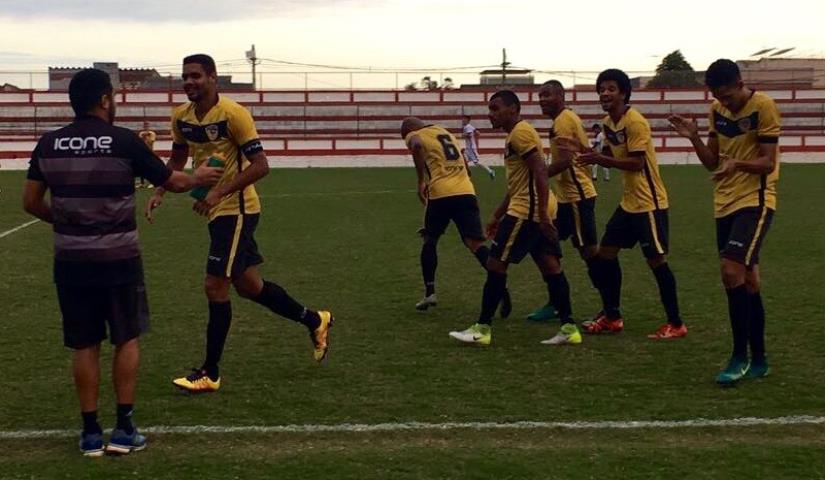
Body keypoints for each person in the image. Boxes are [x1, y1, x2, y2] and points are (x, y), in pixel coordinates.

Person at [22, 69, 222, 456]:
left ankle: (90, 432)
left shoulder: (49, 144)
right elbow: (174, 181)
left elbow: (30, 202)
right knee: (126, 338)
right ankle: (125, 427)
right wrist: (198, 174)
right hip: (118, 259)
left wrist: (65, 221)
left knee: (85, 344)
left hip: (71, 261)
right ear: (103, 100)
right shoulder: (123, 141)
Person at [145, 54, 333, 393]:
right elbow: (177, 158)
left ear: (213, 78)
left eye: (196, 76)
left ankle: (209, 373)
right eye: (185, 76)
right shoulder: (181, 117)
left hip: (238, 208)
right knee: (249, 286)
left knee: (215, 286)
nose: (189, 82)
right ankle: (314, 320)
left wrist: (219, 193)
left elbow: (261, 165)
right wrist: (160, 189)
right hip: (216, 210)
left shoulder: (234, 114)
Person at [668, 59, 780, 384]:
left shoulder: (763, 107)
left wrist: (737, 166)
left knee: (731, 270)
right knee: (749, 281)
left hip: (755, 200)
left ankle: (738, 357)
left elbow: (768, 162)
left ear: (740, 82)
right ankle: (759, 359)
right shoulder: (715, 110)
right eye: (719, 97)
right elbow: (712, 162)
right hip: (724, 203)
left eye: (729, 96)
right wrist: (693, 138)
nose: (725, 103)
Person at [560, 68, 686, 339]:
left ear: (624, 93)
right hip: (629, 203)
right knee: (606, 254)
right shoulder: (609, 123)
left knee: (656, 261)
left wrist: (599, 160)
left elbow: (637, 163)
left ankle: (676, 323)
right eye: (602, 89)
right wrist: (584, 151)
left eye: (611, 89)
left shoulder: (635, 122)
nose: (605, 93)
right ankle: (613, 316)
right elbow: (608, 153)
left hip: (649, 203)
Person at [449, 90, 579, 346]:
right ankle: (569, 328)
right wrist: (498, 214)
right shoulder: (517, 135)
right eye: (490, 109)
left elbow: (540, 171)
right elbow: (522, 181)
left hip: (527, 211)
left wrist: (541, 215)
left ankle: (482, 328)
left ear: (513, 109)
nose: (491, 114)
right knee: (551, 267)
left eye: (496, 108)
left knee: (496, 265)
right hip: (532, 208)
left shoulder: (520, 133)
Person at [401, 117, 511, 316]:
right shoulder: (446, 133)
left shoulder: (414, 134)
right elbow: (466, 168)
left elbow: (416, 145)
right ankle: (501, 287)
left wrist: (420, 181)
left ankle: (430, 292)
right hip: (466, 191)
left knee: (430, 239)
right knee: (475, 244)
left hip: (441, 193)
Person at [526, 80, 600, 345]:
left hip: (578, 198)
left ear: (561, 96)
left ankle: (610, 309)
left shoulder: (564, 121)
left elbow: (567, 160)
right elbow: (583, 151)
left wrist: (539, 175)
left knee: (589, 253)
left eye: (547, 95)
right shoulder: (563, 120)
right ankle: (556, 302)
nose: (542, 99)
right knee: (542, 246)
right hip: (566, 199)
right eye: (539, 96)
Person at [461, 115, 496, 180]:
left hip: (471, 148)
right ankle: (465, 176)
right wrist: (476, 132)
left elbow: (469, 135)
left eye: (464, 119)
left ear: (467, 120)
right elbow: (476, 131)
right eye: (462, 119)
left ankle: (490, 171)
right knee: (463, 161)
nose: (462, 120)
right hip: (468, 148)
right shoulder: (468, 126)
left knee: (477, 162)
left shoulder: (467, 127)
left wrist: (463, 135)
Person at [137, 121, 156, 189]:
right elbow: (139, 142)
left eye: (147, 125)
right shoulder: (141, 133)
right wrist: (143, 137)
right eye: (144, 125)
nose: (146, 126)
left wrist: (147, 137)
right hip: (142, 153)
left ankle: (152, 182)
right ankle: (142, 183)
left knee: (150, 168)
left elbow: (151, 142)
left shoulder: (152, 133)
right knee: (141, 168)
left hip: (150, 153)